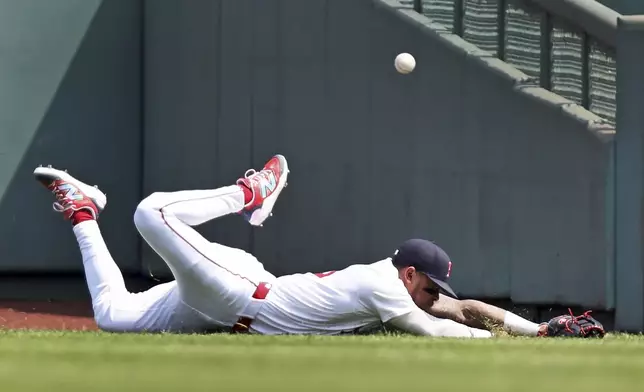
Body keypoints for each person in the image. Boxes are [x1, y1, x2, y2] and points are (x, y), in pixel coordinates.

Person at [33, 154, 547, 338]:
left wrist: (539, 331)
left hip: (219, 309)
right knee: (150, 212)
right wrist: (493, 342)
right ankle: (249, 191)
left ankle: (81, 210)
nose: (435, 297)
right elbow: (438, 331)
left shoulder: (399, 290)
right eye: (431, 287)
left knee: (110, 314)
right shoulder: (382, 285)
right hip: (237, 291)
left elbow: (465, 308)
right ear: (408, 274)